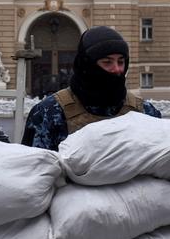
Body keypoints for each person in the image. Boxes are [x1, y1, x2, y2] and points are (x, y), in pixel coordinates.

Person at [22, 26, 161, 151]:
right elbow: (33, 172)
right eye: (107, 62)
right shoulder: (48, 113)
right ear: (87, 65)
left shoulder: (145, 112)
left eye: (121, 61)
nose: (117, 69)